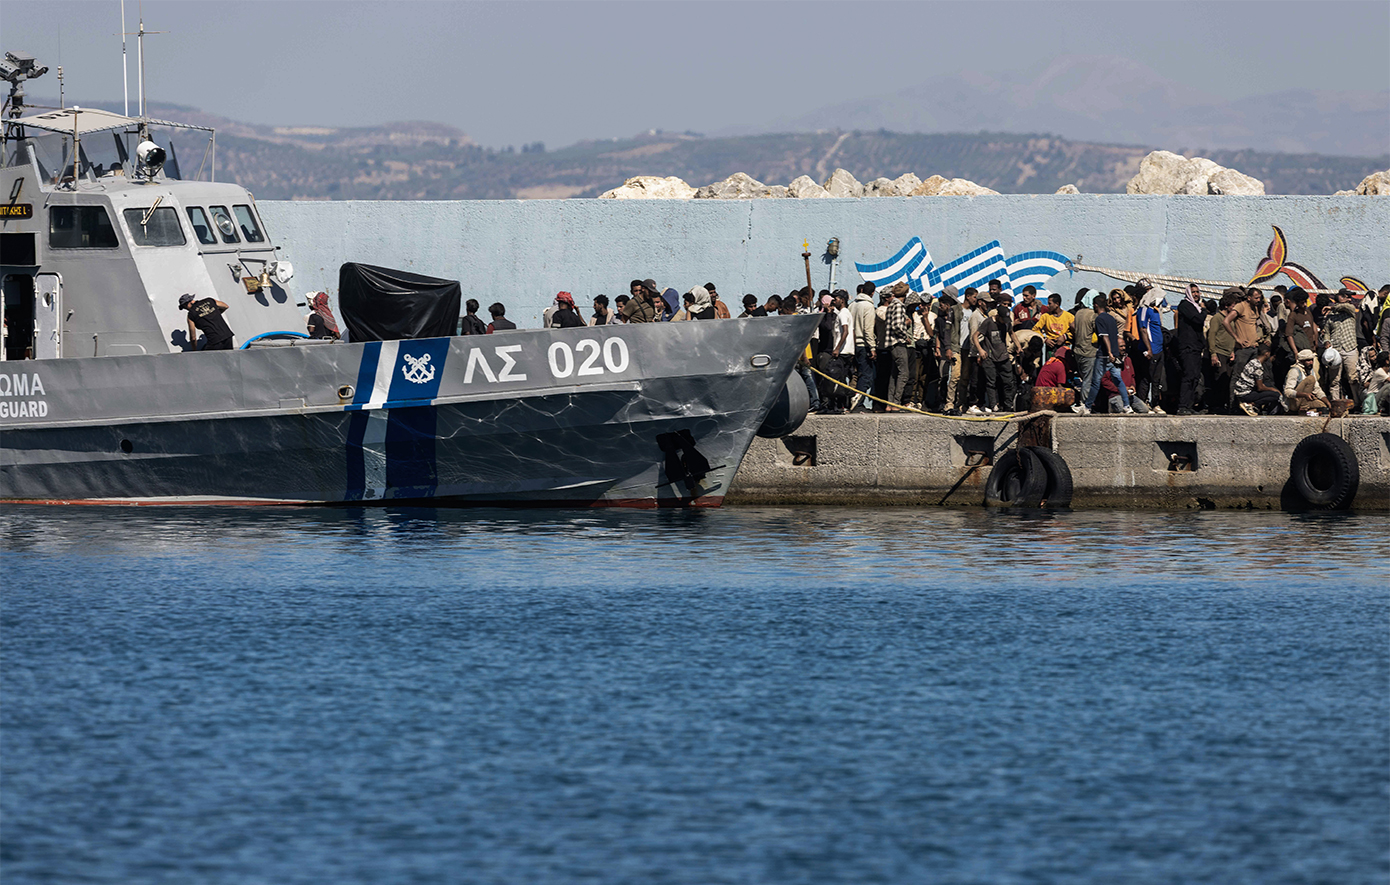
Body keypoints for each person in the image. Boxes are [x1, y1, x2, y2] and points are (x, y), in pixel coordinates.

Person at [1075, 293, 1132, 415]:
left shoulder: (1099, 319)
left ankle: (1087, 407)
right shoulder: (1111, 318)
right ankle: (1127, 406)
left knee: (1095, 382)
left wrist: (1109, 352)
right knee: (1118, 380)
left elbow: (1104, 336)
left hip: (1104, 355)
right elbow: (1115, 335)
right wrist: (1115, 353)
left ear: (1095, 305)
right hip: (1114, 355)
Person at [973, 304, 1017, 414]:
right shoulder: (988, 322)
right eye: (1002, 319)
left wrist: (1018, 346)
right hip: (990, 356)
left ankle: (1008, 405)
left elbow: (1012, 333)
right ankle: (993, 405)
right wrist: (980, 350)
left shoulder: (1007, 323)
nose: (1004, 322)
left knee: (1008, 382)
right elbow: (975, 336)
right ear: (998, 316)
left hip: (1003, 356)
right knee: (991, 382)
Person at [1323, 288, 1360, 401]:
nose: (1348, 299)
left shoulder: (1350, 310)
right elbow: (1326, 332)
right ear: (1338, 297)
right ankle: (1335, 402)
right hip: (1336, 350)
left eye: (1349, 297)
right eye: (1345, 296)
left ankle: (1358, 402)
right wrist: (1327, 342)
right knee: (1334, 380)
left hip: (1350, 348)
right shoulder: (1330, 316)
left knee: (1353, 378)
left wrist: (1333, 307)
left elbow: (1349, 307)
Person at [1175, 283, 1206, 414]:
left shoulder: (1196, 307)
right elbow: (1198, 320)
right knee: (1188, 376)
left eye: (1197, 292)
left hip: (1196, 347)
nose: (1196, 294)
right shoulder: (1185, 305)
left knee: (1194, 377)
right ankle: (1182, 406)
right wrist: (1204, 310)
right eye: (1193, 292)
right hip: (1187, 346)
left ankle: (1189, 406)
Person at [881, 283, 912, 411]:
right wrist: (906, 336)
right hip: (898, 343)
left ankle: (890, 403)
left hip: (890, 344)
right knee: (904, 373)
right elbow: (897, 326)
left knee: (895, 374)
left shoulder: (891, 305)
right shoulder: (899, 306)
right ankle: (896, 403)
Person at [1136, 289, 1166, 413]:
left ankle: (1155, 403)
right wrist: (1148, 348)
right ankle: (1144, 403)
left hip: (1159, 349)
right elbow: (1143, 329)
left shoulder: (1155, 310)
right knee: (1146, 378)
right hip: (1151, 350)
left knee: (1156, 379)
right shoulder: (1143, 310)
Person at [849, 282, 877, 411]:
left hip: (852, 344)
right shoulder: (868, 306)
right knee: (866, 375)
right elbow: (868, 329)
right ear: (872, 293)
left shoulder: (852, 305)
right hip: (863, 345)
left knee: (856, 374)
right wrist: (872, 347)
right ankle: (858, 402)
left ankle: (852, 398)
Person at [934, 286, 962, 415]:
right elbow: (944, 332)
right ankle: (946, 402)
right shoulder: (945, 316)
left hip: (956, 348)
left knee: (955, 377)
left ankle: (952, 402)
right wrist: (945, 348)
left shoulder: (956, 310)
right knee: (946, 377)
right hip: (950, 349)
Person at [1232, 344, 1280, 415]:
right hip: (1245, 394)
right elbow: (1260, 388)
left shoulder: (1252, 361)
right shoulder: (1258, 366)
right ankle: (1251, 404)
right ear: (1267, 354)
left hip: (1239, 391)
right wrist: (1273, 389)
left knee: (1269, 388)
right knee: (1276, 395)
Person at [1071, 289, 1097, 406]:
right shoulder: (1093, 315)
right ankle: (1085, 403)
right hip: (1089, 351)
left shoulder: (1079, 313)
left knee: (1084, 377)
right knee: (1088, 379)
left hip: (1078, 350)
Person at [1283, 349, 1329, 414]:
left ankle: (1306, 409)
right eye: (1308, 360)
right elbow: (1287, 392)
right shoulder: (1294, 371)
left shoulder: (1310, 371)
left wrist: (1328, 403)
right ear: (1302, 361)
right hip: (1293, 402)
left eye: (1311, 360)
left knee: (1322, 405)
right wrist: (1304, 395)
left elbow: (1317, 389)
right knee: (1310, 379)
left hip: (1305, 400)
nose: (1311, 362)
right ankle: (1302, 408)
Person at [1033, 292, 1074, 360]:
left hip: (1064, 347)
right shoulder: (1045, 316)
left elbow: (1076, 331)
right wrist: (1045, 339)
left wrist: (1065, 337)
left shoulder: (1069, 317)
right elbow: (1035, 329)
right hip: (1050, 347)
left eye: (1050, 303)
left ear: (1057, 304)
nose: (1047, 306)